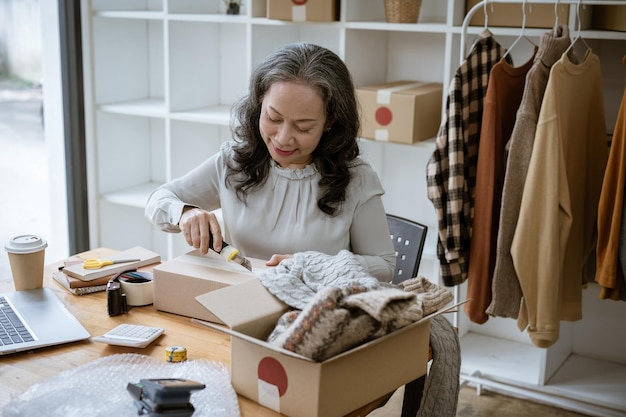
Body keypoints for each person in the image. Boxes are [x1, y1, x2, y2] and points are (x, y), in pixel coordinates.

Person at [145, 42, 396, 282]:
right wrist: (186, 213)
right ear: (259, 104)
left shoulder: (356, 179)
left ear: (330, 122)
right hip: (240, 303)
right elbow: (159, 198)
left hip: (313, 312)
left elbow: (384, 266)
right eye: (273, 118)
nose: (283, 139)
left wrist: (316, 266)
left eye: (304, 127)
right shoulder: (233, 163)